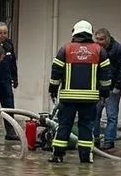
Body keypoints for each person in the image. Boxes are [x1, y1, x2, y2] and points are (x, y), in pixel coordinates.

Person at [48, 20, 112, 163]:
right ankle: (85, 157)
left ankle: (57, 155)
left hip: (68, 98)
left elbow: (56, 72)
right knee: (86, 127)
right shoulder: (99, 50)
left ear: (74, 32)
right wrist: (104, 93)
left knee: (64, 125)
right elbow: (106, 75)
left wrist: (52, 89)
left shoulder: (65, 49)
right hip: (89, 99)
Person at [91, 28, 121, 150]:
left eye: (101, 40)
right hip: (98, 87)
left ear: (107, 38)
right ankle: (95, 139)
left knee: (111, 116)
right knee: (95, 115)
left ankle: (109, 141)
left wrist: (117, 86)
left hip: (112, 88)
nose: (98, 42)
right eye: (96, 39)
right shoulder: (96, 49)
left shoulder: (118, 49)